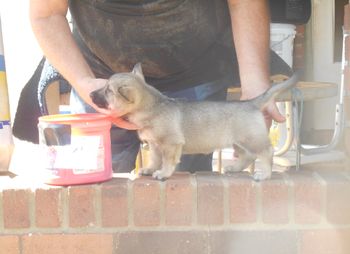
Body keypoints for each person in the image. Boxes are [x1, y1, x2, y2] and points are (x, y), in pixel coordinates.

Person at [29, 0, 290, 173]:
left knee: (186, 196)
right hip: (101, 83)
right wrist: (85, 82)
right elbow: (46, 14)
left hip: (194, 76)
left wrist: (256, 84)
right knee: (96, 190)